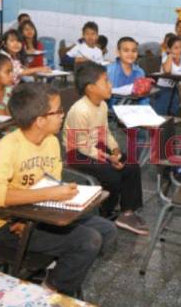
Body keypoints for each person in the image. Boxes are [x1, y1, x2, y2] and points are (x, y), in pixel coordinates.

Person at [0, 83, 117, 297]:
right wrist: (46, 197)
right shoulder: (8, 146)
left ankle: (58, 270)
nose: (62, 115)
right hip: (10, 227)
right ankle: (52, 288)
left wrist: (63, 196)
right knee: (88, 240)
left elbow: (51, 183)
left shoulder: (51, 142)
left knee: (108, 230)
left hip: (40, 214)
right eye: (58, 111)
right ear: (40, 121)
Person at [63, 62, 148, 235]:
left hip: (96, 147)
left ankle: (127, 212)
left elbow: (105, 132)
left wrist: (115, 150)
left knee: (131, 164)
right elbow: (83, 147)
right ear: (91, 88)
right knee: (113, 175)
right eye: (106, 81)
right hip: (78, 153)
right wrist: (109, 159)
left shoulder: (101, 105)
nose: (111, 85)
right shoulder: (79, 111)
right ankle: (105, 211)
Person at [153, 35, 181, 115]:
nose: (179, 50)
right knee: (161, 112)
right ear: (169, 49)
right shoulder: (166, 58)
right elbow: (167, 70)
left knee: (175, 108)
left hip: (177, 89)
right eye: (176, 48)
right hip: (164, 88)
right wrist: (170, 56)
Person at [106, 37, 146, 106]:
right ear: (118, 53)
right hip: (111, 112)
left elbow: (144, 97)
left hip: (134, 111)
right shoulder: (108, 70)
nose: (130, 54)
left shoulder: (140, 72)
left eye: (134, 51)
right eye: (126, 50)